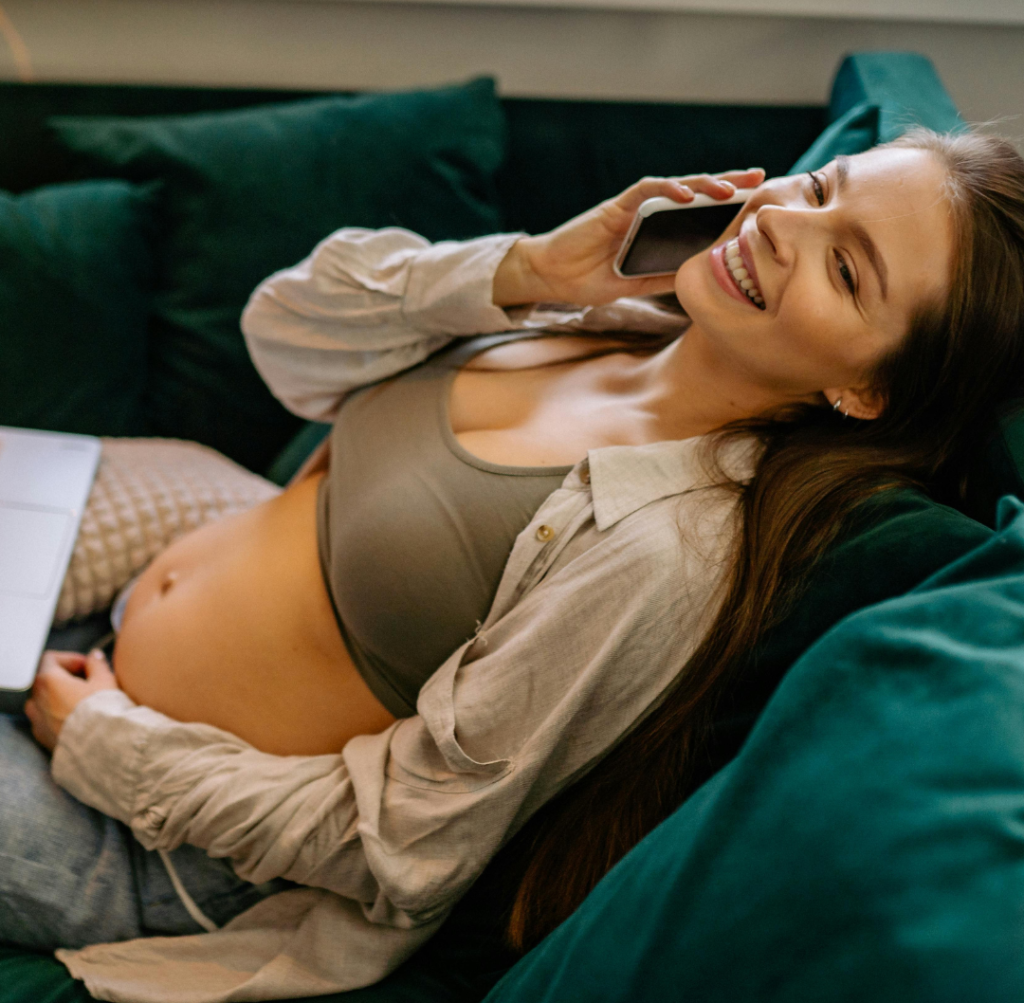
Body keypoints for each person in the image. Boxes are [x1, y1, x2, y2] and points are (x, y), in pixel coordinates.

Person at [9, 127, 1024, 1002]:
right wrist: (530, 268)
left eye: (847, 270)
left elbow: (404, 848)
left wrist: (112, 745)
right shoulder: (607, 314)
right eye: (816, 187)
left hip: (155, 828)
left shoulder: (661, 552)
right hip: (90, 611)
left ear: (866, 393)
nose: (781, 227)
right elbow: (285, 335)